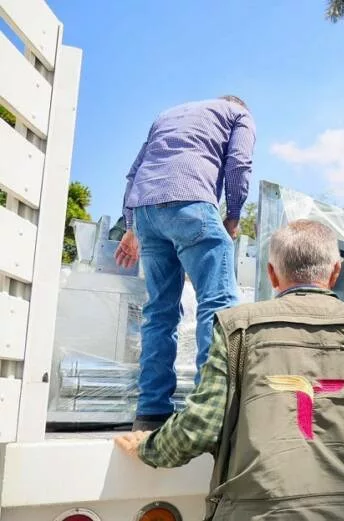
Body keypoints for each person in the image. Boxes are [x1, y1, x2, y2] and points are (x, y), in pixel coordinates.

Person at [115, 219, 344, 521]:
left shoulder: (236, 329)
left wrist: (148, 447)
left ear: (272, 274)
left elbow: (199, 428)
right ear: (335, 271)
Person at [114, 96, 256, 431]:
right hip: (191, 201)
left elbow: (134, 172)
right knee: (218, 304)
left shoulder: (166, 114)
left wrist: (131, 226)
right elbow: (238, 164)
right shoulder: (239, 114)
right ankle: (212, 410)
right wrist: (233, 216)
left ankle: (150, 413)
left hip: (146, 210)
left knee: (159, 311)